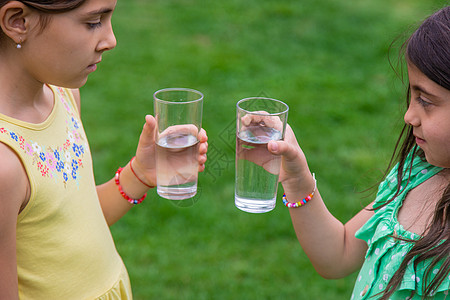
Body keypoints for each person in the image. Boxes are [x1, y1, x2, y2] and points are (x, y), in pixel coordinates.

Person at [0, 0, 208, 299]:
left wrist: (139, 173)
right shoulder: (5, 162)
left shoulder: (64, 96)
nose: (111, 40)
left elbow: (71, 222)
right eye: (93, 22)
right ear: (18, 21)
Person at [265, 6, 450, 299]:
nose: (408, 116)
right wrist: (296, 176)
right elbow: (337, 255)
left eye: (425, 100)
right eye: (411, 97)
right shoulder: (415, 174)